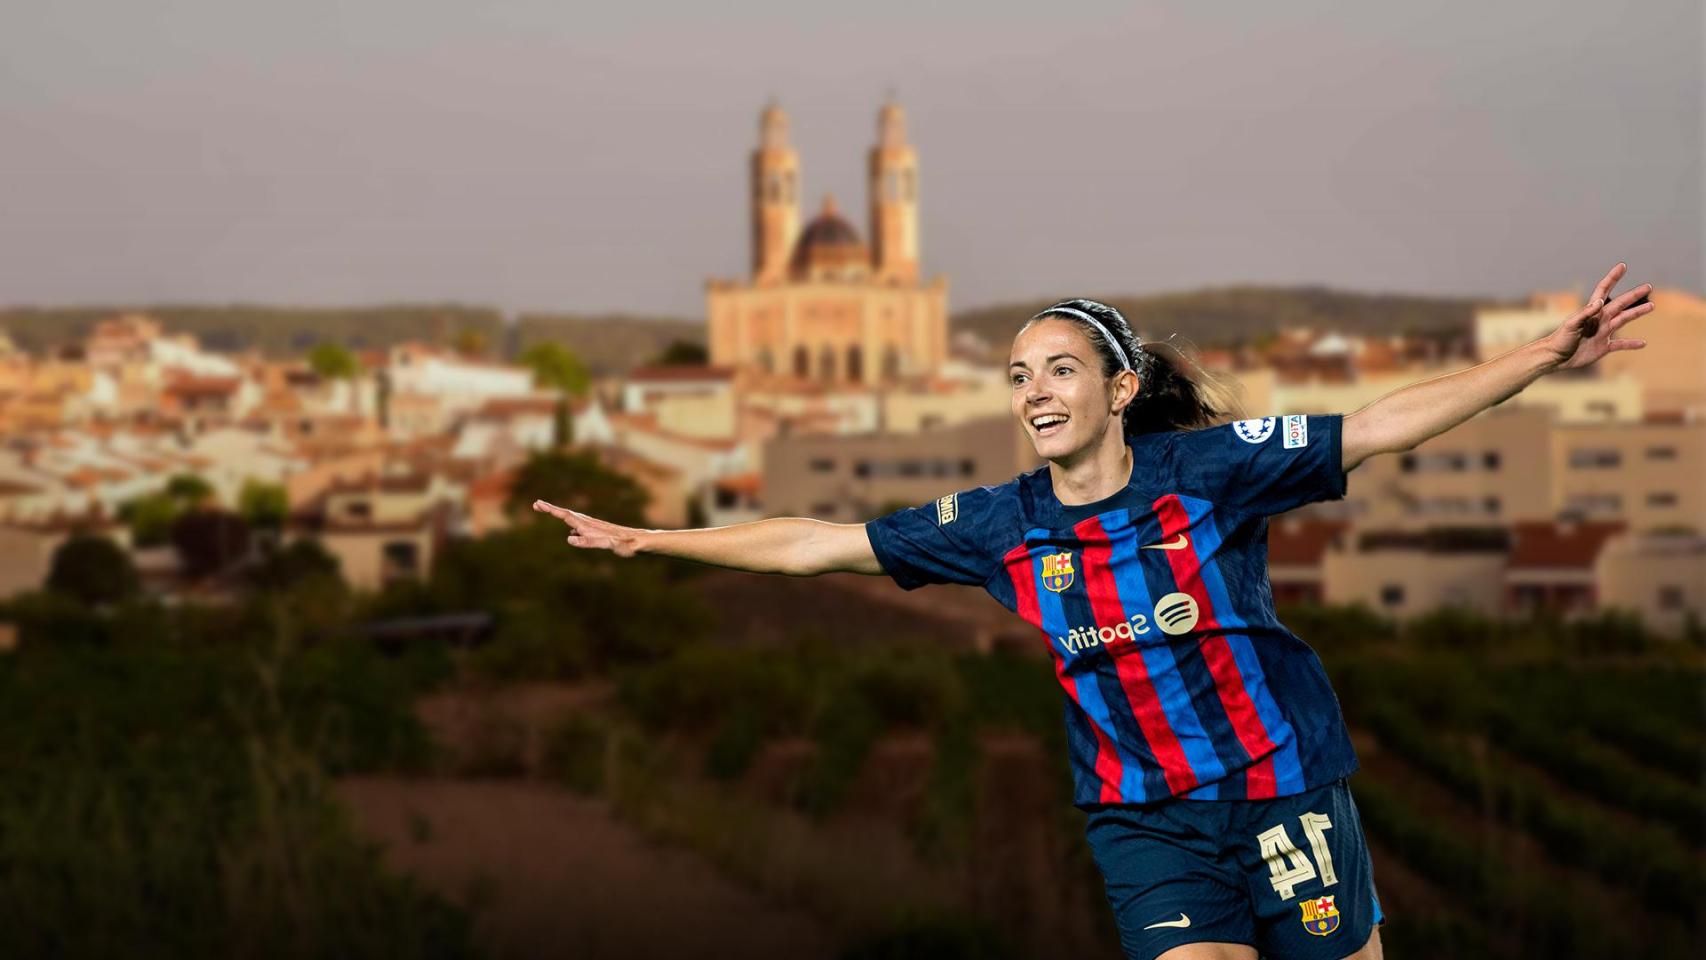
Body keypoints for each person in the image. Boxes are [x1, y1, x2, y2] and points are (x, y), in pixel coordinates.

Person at [533, 263, 1653, 960]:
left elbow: (1381, 426)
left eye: (1060, 370)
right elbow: (816, 546)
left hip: (1281, 785)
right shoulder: (995, 522)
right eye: (1018, 375)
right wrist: (651, 539)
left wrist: (1543, 355)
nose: (1034, 392)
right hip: (1142, 815)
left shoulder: (1213, 469)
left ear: (1118, 391)